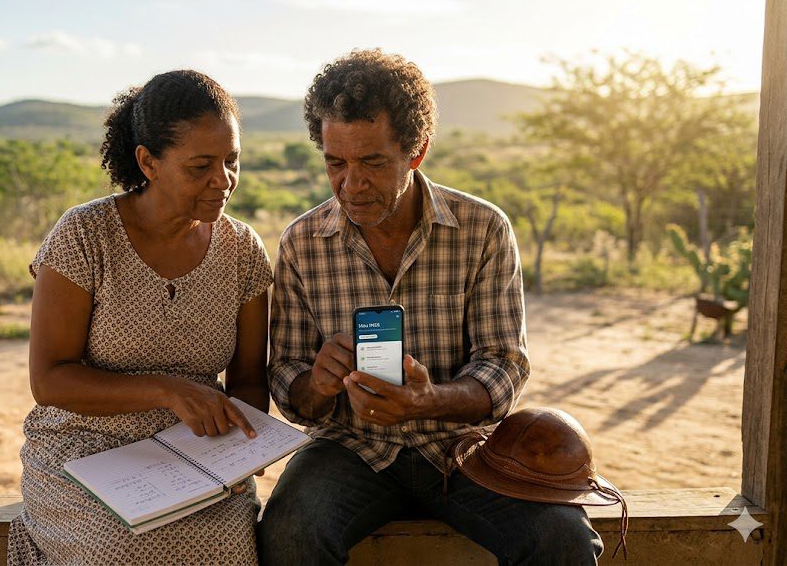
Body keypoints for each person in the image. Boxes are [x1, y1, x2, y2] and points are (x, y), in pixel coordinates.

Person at [259, 50, 604, 565]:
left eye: (372, 162)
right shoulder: (301, 242)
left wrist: (428, 400)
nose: (351, 184)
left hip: (464, 450)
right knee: (287, 533)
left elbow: (504, 366)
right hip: (349, 448)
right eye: (336, 163)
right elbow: (287, 377)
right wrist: (319, 383)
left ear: (416, 151)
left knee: (563, 538)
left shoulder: (483, 228)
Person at [7, 70, 272, 565]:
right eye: (200, 167)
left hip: (200, 457)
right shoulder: (84, 237)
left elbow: (250, 381)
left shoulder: (242, 250)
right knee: (120, 548)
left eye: (232, 160)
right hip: (82, 451)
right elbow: (49, 381)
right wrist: (169, 390)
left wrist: (238, 456)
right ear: (147, 161)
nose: (223, 180)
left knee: (227, 547)